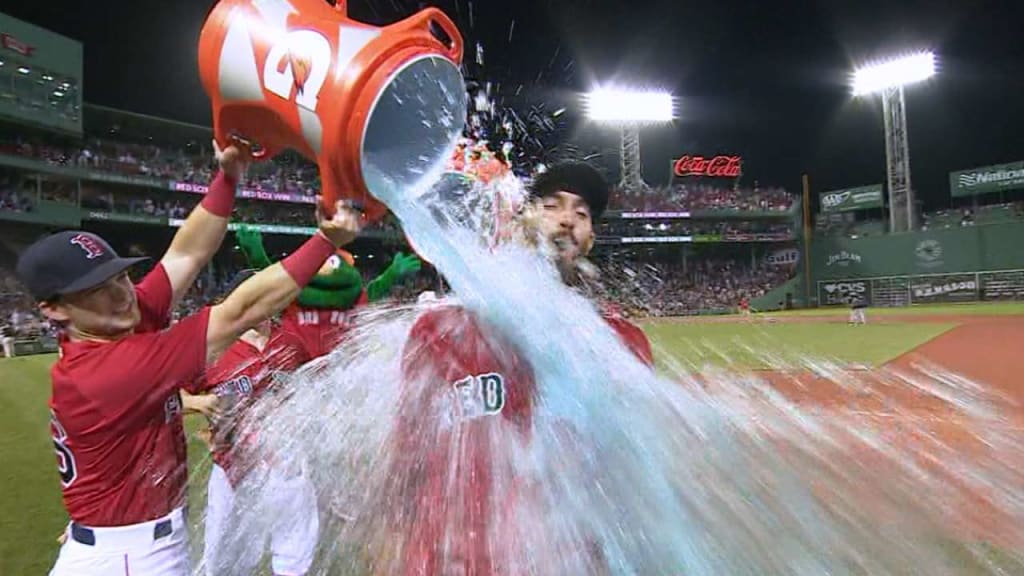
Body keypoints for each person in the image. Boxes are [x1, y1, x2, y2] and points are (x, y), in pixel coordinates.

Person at [16, 139, 362, 576]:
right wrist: (325, 241)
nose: (122, 294)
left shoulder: (119, 323)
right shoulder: (105, 371)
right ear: (54, 308)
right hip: (130, 558)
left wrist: (228, 178)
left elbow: (186, 254)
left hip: (119, 542)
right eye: (96, 290)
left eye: (120, 276)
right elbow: (239, 313)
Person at [380, 161, 653, 575]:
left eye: (581, 214)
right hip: (458, 557)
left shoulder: (621, 345)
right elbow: (408, 456)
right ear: (519, 224)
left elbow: (628, 474)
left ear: (591, 239)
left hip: (569, 557)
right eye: (551, 206)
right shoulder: (441, 331)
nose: (567, 219)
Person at [178, 269, 320, 576]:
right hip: (233, 467)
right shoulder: (212, 348)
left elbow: (315, 387)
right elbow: (166, 391)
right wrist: (198, 401)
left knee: (294, 553)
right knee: (225, 560)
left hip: (288, 465)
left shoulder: (292, 343)